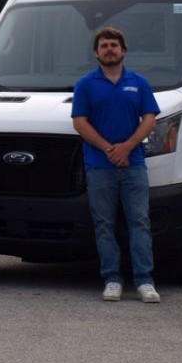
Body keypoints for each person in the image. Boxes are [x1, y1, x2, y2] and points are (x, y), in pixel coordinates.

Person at [71, 26, 162, 303]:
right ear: (96, 52)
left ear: (123, 50)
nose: (109, 50)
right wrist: (108, 149)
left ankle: (145, 280)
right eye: (104, 46)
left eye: (113, 45)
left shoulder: (139, 82)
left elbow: (149, 119)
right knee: (104, 224)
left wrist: (126, 147)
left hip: (133, 165)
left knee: (139, 222)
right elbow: (79, 122)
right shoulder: (86, 85)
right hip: (99, 166)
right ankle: (112, 279)